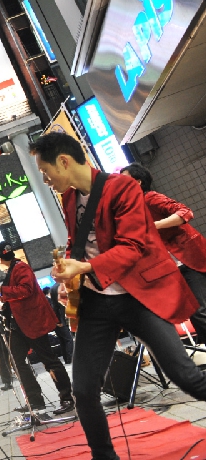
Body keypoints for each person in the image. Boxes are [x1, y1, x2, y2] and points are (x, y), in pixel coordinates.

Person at [30, 132, 206, 460]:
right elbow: (76, 242)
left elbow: (133, 246)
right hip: (96, 302)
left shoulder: (122, 187)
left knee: (186, 376)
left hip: (139, 296)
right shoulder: (69, 198)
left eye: (45, 171)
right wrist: (68, 270)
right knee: (84, 391)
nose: (45, 179)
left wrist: (84, 266)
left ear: (64, 162)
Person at [121, 162, 206, 341]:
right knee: (194, 312)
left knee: (198, 311)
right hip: (173, 267)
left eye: (124, 179)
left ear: (137, 182)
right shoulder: (132, 209)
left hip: (190, 259)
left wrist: (154, 226)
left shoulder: (150, 198)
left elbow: (185, 212)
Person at [0, 241, 74, 415]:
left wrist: (0, 288)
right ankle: (35, 401)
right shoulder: (12, 270)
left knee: (49, 360)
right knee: (17, 361)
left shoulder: (21, 268)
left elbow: (25, 290)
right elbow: (13, 295)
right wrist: (0, 293)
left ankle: (66, 397)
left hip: (32, 322)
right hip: (18, 324)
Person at [43, 286, 74, 363]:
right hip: (58, 323)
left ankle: (67, 358)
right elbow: (54, 311)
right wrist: (58, 322)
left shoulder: (47, 300)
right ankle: (70, 358)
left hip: (57, 323)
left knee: (63, 340)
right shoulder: (49, 300)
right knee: (68, 339)